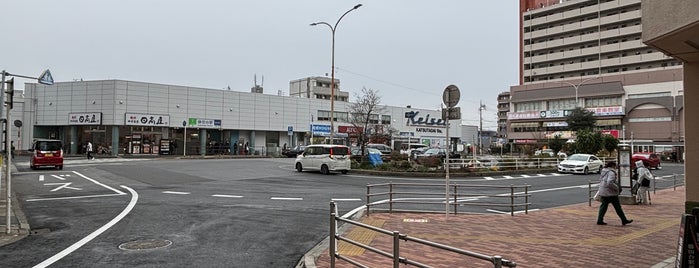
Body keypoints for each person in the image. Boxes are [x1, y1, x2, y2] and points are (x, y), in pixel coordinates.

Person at [596, 161, 633, 226]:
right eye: (615, 166)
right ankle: (624, 220)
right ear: (613, 166)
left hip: (603, 191)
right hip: (610, 193)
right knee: (617, 207)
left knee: (603, 206)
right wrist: (617, 188)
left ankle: (599, 220)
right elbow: (609, 182)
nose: (615, 167)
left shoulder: (604, 171)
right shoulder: (611, 172)